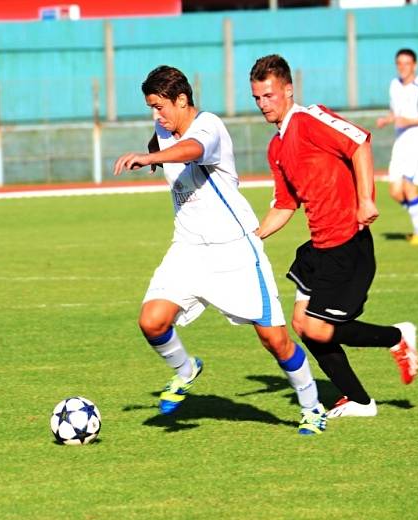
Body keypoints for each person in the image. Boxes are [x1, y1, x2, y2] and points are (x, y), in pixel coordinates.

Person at [113, 65, 327, 435]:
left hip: (234, 251)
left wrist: (150, 159)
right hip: (188, 249)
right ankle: (186, 370)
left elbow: (191, 150)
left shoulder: (209, 126)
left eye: (159, 106)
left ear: (182, 100)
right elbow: (162, 141)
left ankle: (312, 406)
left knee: (273, 340)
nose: (156, 115)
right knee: (151, 321)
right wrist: (152, 149)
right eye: (151, 108)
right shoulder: (164, 130)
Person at [249, 54, 418, 418]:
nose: (264, 104)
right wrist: (253, 236)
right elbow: (284, 204)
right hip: (318, 247)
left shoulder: (309, 120)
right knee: (301, 325)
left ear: (288, 90)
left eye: (269, 95)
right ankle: (359, 401)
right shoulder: (276, 148)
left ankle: (397, 337)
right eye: (258, 98)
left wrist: (366, 199)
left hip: (348, 243)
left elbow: (359, 141)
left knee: (320, 330)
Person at [375, 48, 418, 246]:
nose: (402, 67)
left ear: (415, 65)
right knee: (395, 191)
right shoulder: (394, 85)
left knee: (409, 187)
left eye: (407, 63)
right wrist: (387, 119)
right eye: (399, 63)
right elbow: (397, 112)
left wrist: (409, 121)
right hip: (401, 143)